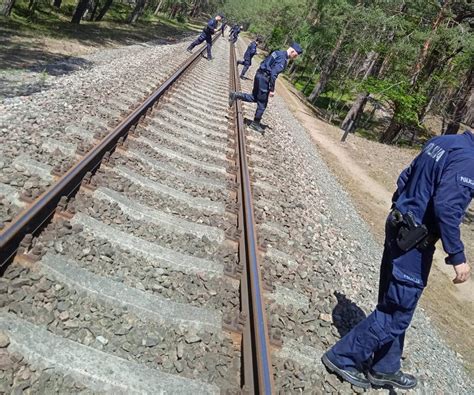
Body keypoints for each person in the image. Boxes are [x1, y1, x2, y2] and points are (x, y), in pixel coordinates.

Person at [322, 130, 474, 390]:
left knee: (393, 299)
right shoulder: (469, 160)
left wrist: (400, 209)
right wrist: (457, 256)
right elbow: (447, 207)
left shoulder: (443, 142)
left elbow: (405, 176)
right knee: (397, 311)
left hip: (400, 227)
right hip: (413, 240)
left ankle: (385, 368)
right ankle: (342, 357)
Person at [228, 43, 303, 134]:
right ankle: (255, 124)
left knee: (254, 97)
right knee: (262, 104)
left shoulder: (277, 52)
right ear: (292, 51)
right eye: (296, 55)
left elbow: (265, 62)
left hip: (259, 74)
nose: (295, 57)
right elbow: (273, 74)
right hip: (264, 79)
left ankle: (235, 95)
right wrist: (272, 89)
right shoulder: (283, 59)